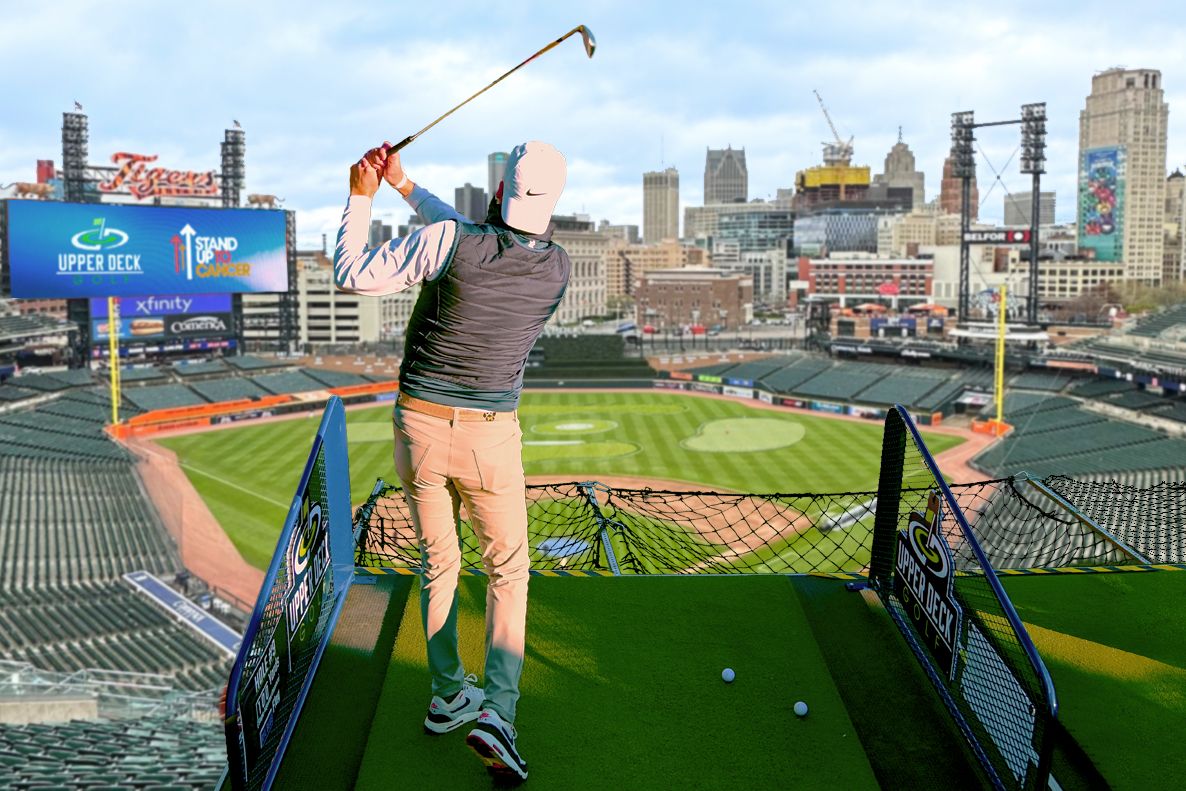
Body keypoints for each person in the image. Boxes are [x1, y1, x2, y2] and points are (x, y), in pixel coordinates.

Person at [333, 140, 570, 782]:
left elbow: (354, 271)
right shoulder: (557, 269)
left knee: (440, 560)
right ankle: (497, 712)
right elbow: (469, 234)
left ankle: (446, 695)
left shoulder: (448, 242)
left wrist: (363, 194)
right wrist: (405, 186)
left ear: (498, 192)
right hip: (491, 437)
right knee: (507, 571)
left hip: (419, 429)